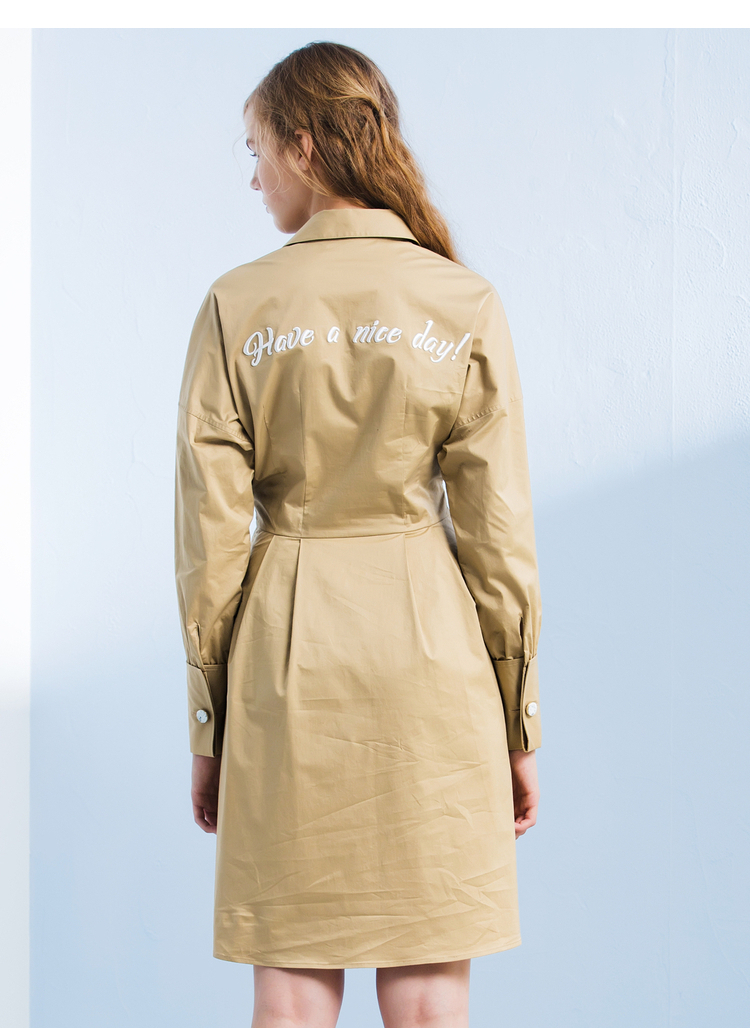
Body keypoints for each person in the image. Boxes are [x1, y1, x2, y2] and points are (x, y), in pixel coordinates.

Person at [174, 40, 542, 1028]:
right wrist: (518, 720)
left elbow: (211, 542)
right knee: (428, 996)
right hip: (435, 666)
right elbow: (499, 536)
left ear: (303, 144)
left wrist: (209, 722)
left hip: (286, 667)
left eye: (257, 150)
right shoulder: (462, 299)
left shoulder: (237, 304)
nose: (255, 177)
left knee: (291, 992)